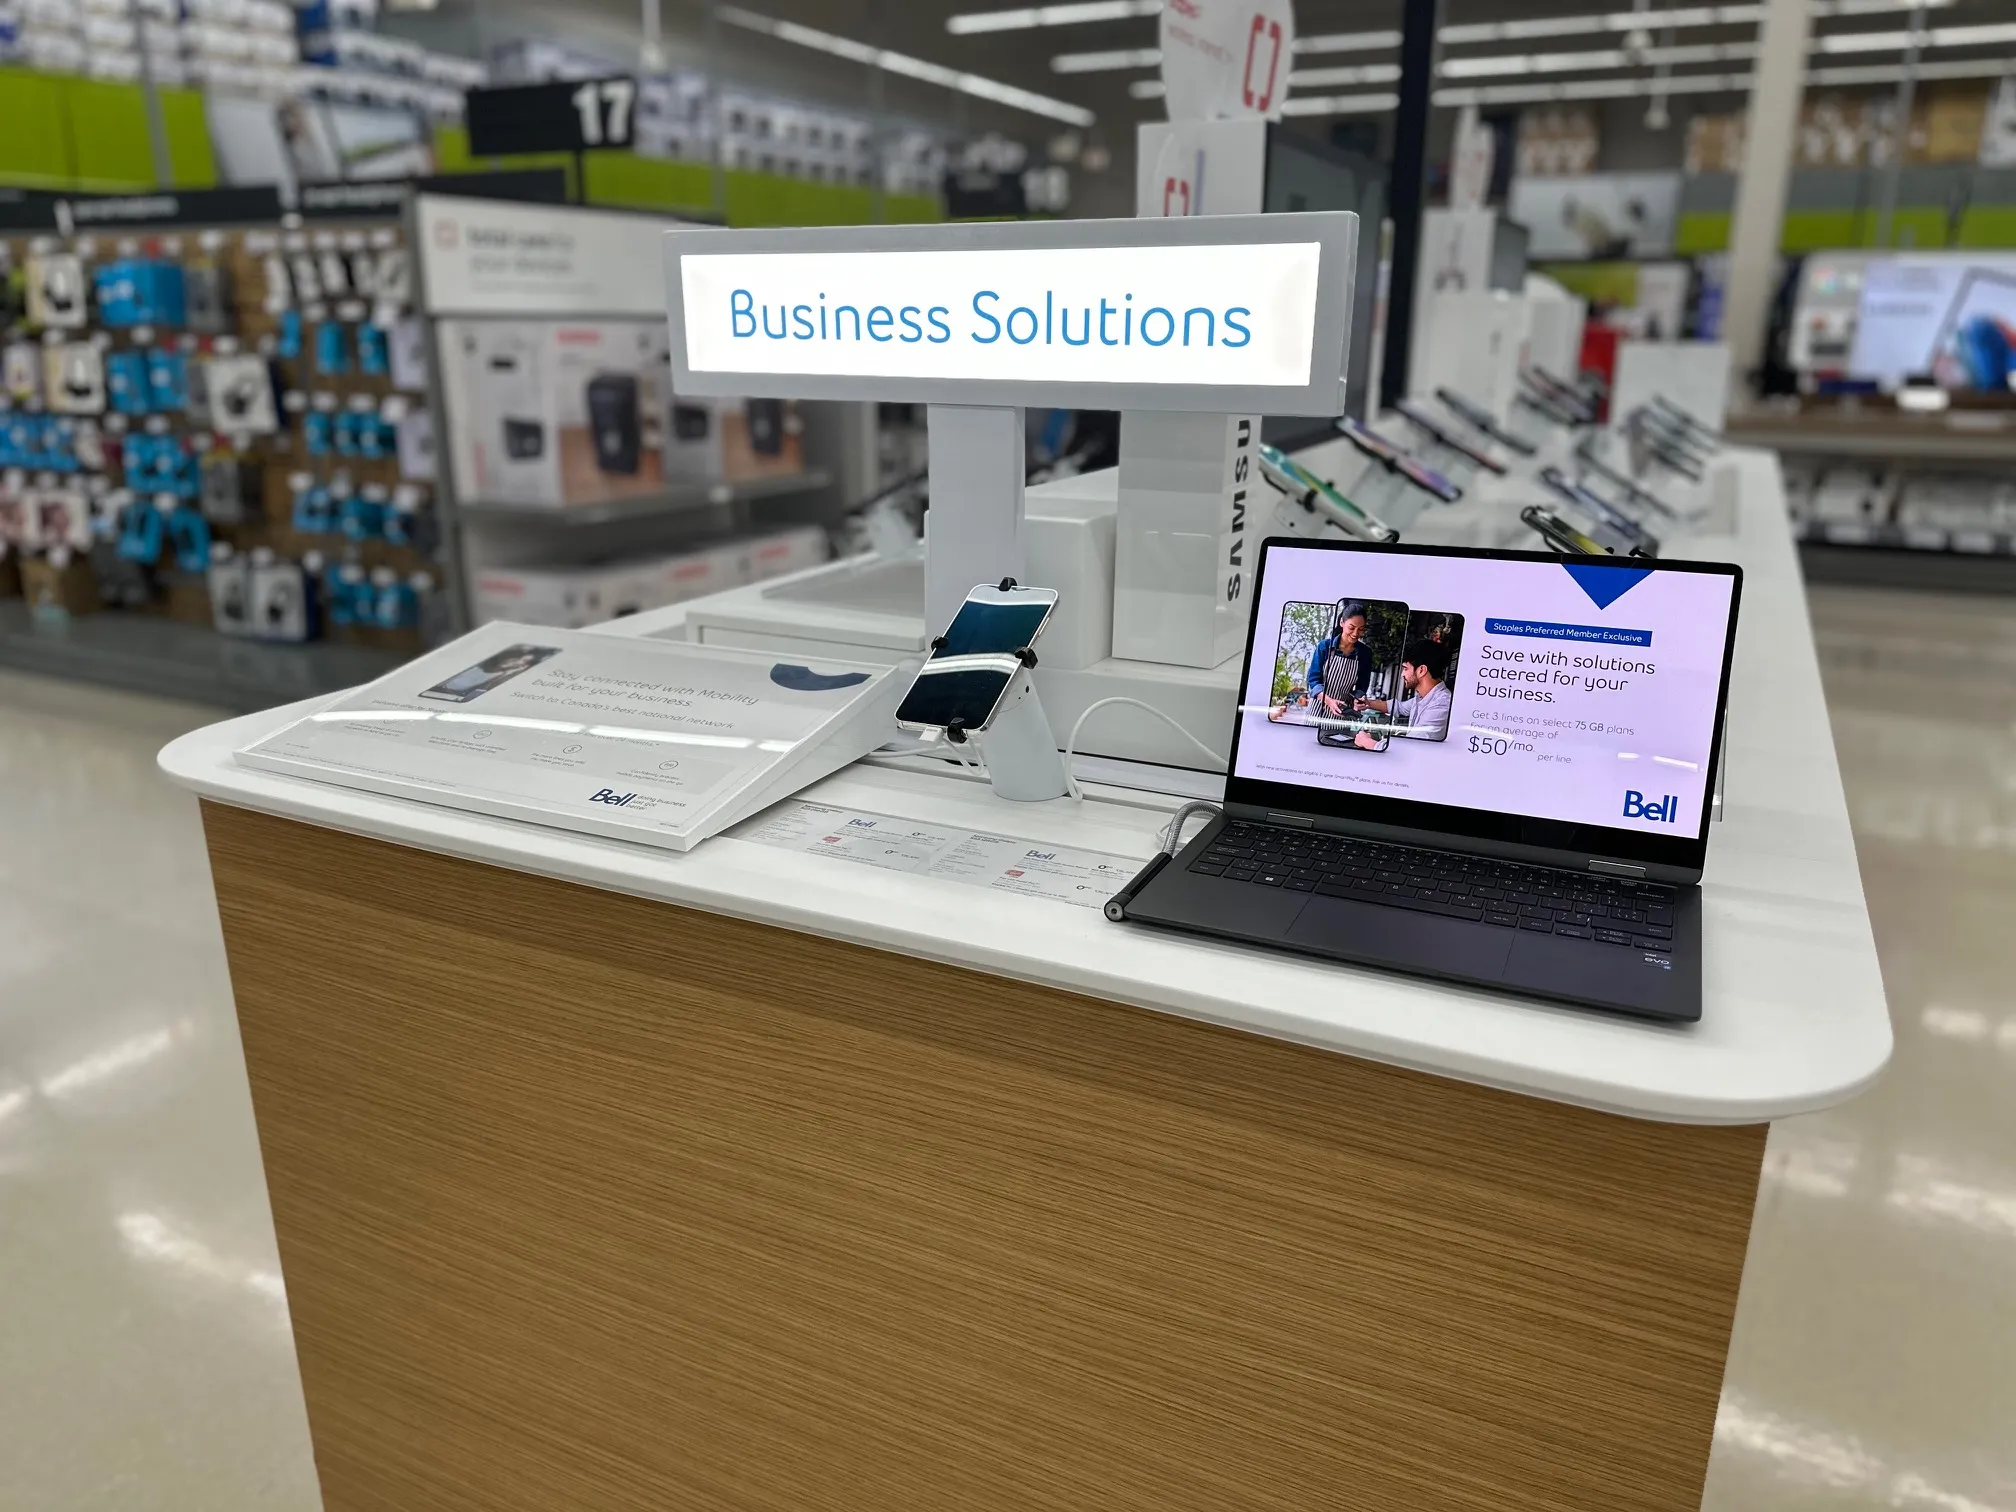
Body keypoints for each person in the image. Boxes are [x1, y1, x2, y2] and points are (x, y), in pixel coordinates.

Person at [1357, 638, 1454, 740]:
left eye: (1405, 668)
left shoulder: (1441, 704)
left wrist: (1368, 742)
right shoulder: (1423, 697)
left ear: (1421, 670)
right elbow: (1399, 707)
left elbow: (1415, 745)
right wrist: (1368, 703)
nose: (1403, 674)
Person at [1305, 601, 1373, 721]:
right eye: (1351, 628)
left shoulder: (1365, 654)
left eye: (1361, 629)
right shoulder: (1324, 647)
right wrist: (1329, 701)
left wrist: (1359, 700)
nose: (1356, 634)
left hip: (1343, 714)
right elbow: (1314, 681)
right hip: (1317, 711)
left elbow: (1361, 687)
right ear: (1342, 622)